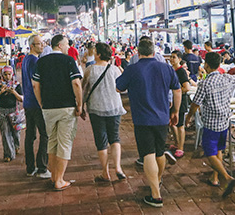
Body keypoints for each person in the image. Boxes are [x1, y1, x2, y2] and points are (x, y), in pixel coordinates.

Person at [116, 38, 181, 208]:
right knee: (159, 152)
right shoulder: (166, 68)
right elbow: (178, 89)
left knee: (148, 154)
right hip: (162, 118)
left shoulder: (132, 69)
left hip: (142, 119)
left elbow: (118, 87)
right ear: (154, 52)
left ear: (138, 52)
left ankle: (156, 194)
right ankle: (157, 181)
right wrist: (175, 111)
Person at [185, 52, 235, 198]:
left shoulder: (205, 83)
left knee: (209, 151)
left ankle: (226, 177)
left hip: (211, 123)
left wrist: (188, 117)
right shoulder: (227, 78)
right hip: (225, 121)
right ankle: (215, 178)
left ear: (206, 65)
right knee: (219, 149)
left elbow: (195, 104)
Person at [32, 34, 83, 191]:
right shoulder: (68, 61)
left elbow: (35, 85)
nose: (68, 47)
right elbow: (76, 82)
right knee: (65, 142)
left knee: (52, 141)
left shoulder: (41, 62)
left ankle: (54, 176)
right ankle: (59, 180)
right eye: (67, 44)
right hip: (66, 107)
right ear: (60, 45)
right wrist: (80, 105)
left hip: (48, 108)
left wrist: (41, 103)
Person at [82, 42, 126, 182]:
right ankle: (118, 168)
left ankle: (105, 172)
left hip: (96, 108)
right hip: (114, 107)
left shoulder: (90, 70)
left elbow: (83, 89)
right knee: (115, 138)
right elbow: (122, 88)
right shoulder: (115, 70)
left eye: (95, 52)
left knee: (101, 141)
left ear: (99, 54)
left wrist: (81, 105)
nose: (94, 54)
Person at [21, 35, 50, 178]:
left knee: (30, 136)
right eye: (39, 44)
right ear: (32, 46)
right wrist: (41, 102)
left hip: (27, 102)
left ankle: (30, 167)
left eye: (43, 43)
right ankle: (42, 167)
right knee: (45, 134)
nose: (42, 46)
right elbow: (35, 82)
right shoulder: (34, 61)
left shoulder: (26, 59)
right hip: (35, 103)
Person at [0, 66, 23, 162]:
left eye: (9, 74)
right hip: (2, 111)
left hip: (14, 111)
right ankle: (8, 154)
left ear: (12, 74)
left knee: (16, 132)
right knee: (5, 133)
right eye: (5, 74)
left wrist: (14, 92)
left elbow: (21, 99)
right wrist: (1, 92)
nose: (7, 76)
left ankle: (16, 146)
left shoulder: (17, 85)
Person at [168, 51, 192, 159]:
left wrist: (176, 93)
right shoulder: (171, 70)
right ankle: (177, 143)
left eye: (174, 57)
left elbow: (187, 87)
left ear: (179, 59)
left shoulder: (181, 72)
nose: (171, 59)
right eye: (171, 57)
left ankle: (181, 148)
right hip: (172, 101)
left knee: (180, 124)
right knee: (172, 123)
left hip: (181, 102)